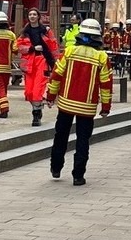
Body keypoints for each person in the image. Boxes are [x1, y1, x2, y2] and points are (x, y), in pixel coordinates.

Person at [47, 18, 112, 185]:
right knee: (83, 141)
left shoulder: (69, 51)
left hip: (66, 103)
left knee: (60, 136)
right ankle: (78, 176)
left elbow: (56, 76)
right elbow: (106, 85)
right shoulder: (102, 57)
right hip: (87, 107)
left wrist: (50, 97)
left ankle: (56, 167)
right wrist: (105, 107)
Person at [17, 8, 57, 126]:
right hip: (29, 63)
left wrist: (55, 64)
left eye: (34, 14)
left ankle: (36, 114)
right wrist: (32, 48)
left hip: (42, 61)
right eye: (30, 14)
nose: (32, 16)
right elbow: (18, 47)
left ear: (38, 16)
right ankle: (38, 108)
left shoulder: (46, 30)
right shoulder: (24, 32)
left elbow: (53, 46)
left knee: (37, 90)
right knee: (29, 92)